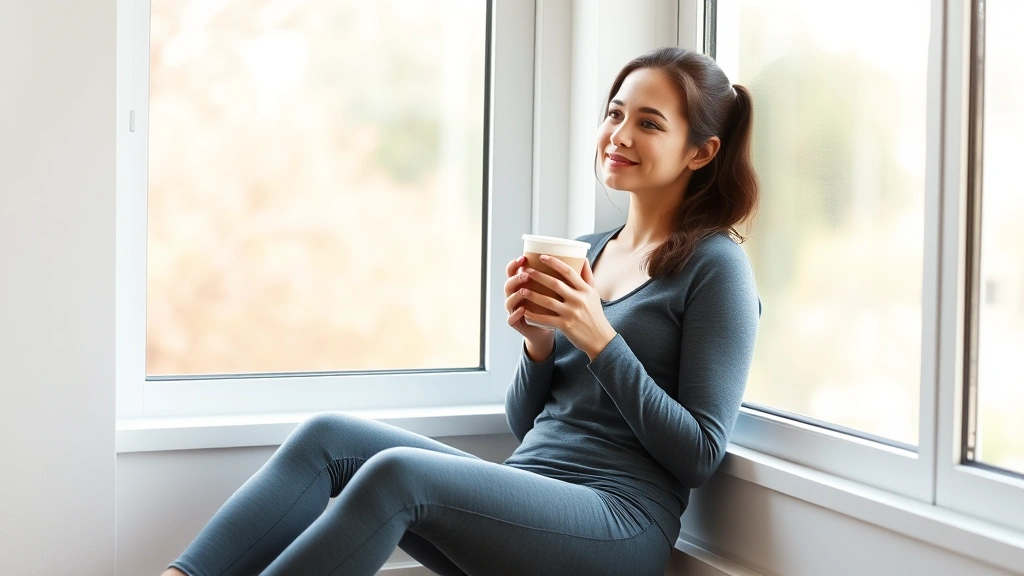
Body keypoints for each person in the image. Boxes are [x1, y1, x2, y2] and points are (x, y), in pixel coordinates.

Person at [162, 46, 760, 576]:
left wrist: (600, 339)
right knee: (328, 438)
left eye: (648, 123)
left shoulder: (716, 268)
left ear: (700, 152)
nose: (619, 135)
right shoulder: (593, 249)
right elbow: (528, 426)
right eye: (615, 112)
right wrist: (539, 345)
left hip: (620, 522)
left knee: (399, 475)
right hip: (536, 489)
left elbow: (700, 453)